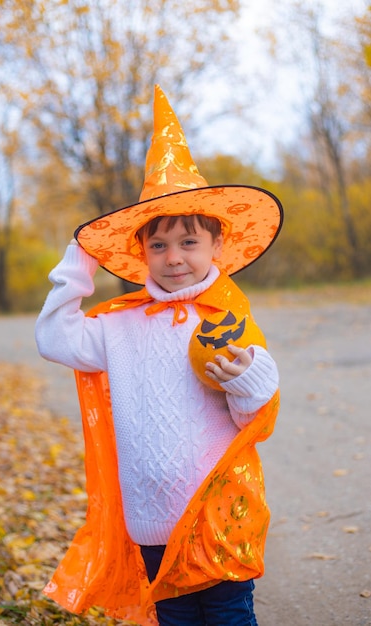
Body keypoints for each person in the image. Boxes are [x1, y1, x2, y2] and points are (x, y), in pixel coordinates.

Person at [35, 85, 283, 626]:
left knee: (227, 617)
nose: (174, 258)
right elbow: (54, 339)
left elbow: (252, 419)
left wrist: (247, 379)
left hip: (219, 517)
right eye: (159, 245)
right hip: (150, 519)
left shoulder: (223, 321)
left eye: (189, 243)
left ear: (217, 247)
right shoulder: (119, 326)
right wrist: (77, 265)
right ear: (141, 252)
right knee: (172, 620)